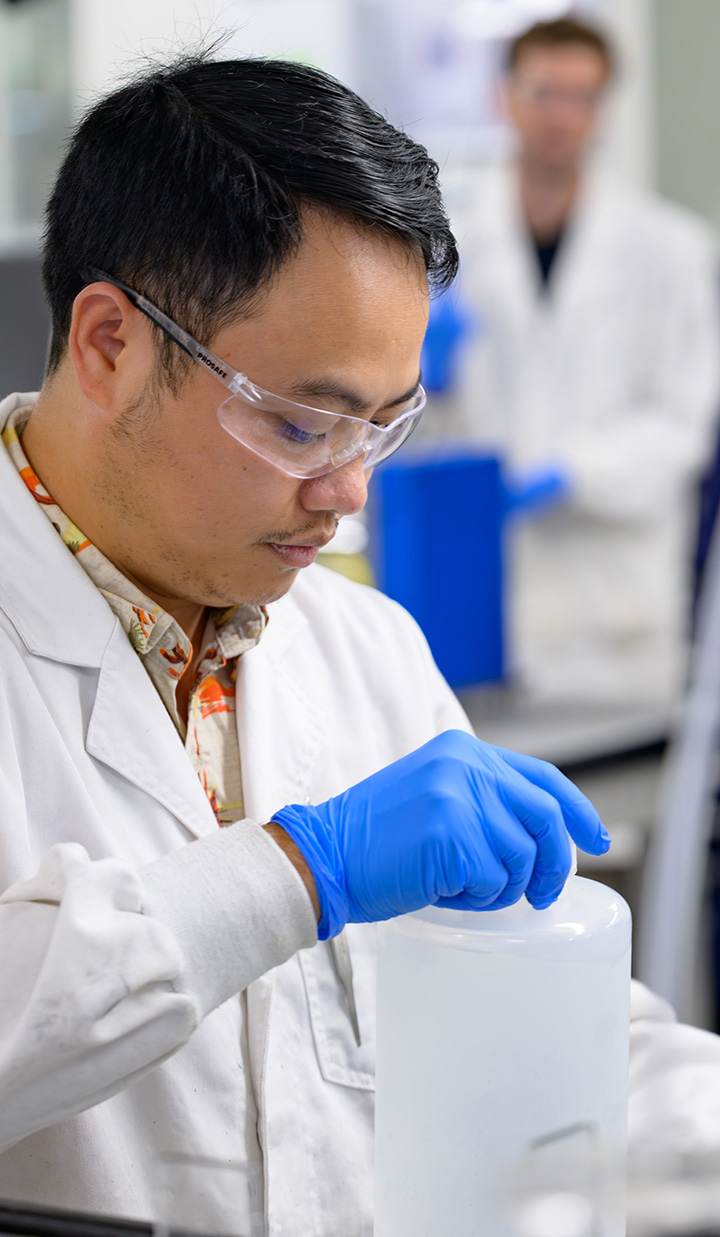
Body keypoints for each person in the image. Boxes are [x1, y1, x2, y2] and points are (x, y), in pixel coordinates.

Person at [0, 52, 720, 1237]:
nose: (347, 494)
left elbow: (561, 1023)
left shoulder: (365, 646)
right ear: (110, 342)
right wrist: (296, 868)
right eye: (299, 422)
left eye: (383, 428)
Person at [453, 16, 720, 705]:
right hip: (488, 598)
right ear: (505, 98)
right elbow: (414, 428)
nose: (561, 117)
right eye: (545, 92)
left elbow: (681, 426)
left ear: (603, 110)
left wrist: (569, 471)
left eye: (582, 97)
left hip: (615, 611)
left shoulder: (672, 250)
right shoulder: (448, 253)